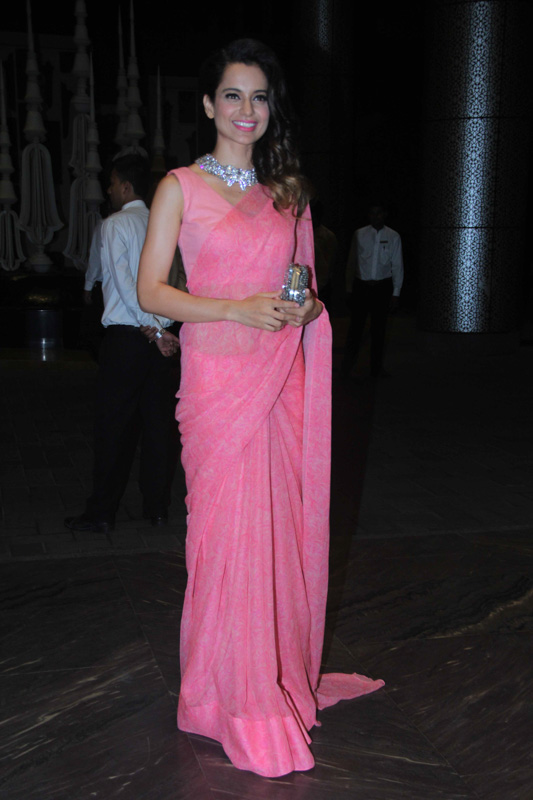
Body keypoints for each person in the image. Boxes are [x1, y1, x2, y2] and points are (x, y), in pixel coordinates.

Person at [137, 39, 383, 778]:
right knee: (221, 544)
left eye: (259, 97)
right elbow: (152, 291)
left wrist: (302, 310)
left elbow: (305, 294)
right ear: (208, 104)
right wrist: (234, 308)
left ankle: (256, 683)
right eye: (233, 95)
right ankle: (223, 697)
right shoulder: (179, 187)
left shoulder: (288, 194)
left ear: (270, 109)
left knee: (271, 542)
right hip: (217, 387)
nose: (247, 110)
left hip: (276, 386)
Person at [65, 155, 179, 533]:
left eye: (113, 183)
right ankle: (157, 507)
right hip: (161, 340)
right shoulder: (164, 224)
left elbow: (127, 284)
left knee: (114, 427)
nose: (110, 189)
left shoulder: (115, 224)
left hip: (130, 340)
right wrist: (162, 330)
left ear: (126, 187)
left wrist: (153, 330)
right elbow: (173, 282)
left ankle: (102, 513)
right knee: (157, 426)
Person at [342, 203, 404, 378]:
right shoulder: (359, 234)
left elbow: (397, 265)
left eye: (378, 213)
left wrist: (396, 293)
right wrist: (349, 287)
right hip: (361, 287)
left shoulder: (393, 236)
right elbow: (352, 262)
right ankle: (346, 368)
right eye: (372, 213)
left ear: (384, 215)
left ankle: (375, 370)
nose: (375, 217)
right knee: (355, 329)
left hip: (382, 288)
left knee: (379, 330)